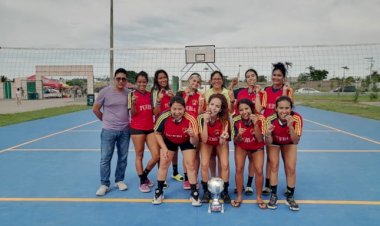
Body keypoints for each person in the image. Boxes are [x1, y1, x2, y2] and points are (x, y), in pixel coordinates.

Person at [152, 95, 201, 206]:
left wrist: (192, 135)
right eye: (174, 109)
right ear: (170, 108)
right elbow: (157, 133)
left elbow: (195, 142)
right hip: (169, 139)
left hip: (186, 140)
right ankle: (159, 191)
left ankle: (194, 192)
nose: (177, 111)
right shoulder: (164, 116)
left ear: (185, 108)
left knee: (190, 165)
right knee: (164, 163)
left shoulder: (191, 118)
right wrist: (164, 148)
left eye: (180, 109)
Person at [92, 68, 131, 196]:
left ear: (126, 80)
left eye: (123, 79)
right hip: (108, 130)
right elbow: (95, 109)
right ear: (114, 79)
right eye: (118, 78)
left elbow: (133, 110)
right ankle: (104, 184)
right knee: (105, 158)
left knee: (123, 158)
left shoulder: (129, 93)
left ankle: (119, 180)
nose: (121, 81)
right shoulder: (105, 92)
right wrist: (105, 120)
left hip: (125, 130)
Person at [230, 69, 266, 195]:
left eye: (253, 76)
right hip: (241, 124)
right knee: (240, 161)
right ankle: (240, 187)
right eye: (248, 76)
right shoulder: (241, 92)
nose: (250, 78)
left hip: (255, 123)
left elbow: (258, 109)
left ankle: (250, 184)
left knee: (253, 158)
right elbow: (235, 108)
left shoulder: (262, 92)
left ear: (256, 77)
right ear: (245, 79)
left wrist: (256, 93)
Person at [262, 62, 294, 195]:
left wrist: (285, 91)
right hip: (270, 126)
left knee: (288, 161)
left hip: (283, 127)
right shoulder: (266, 91)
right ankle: (268, 184)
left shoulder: (288, 90)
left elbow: (288, 105)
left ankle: (289, 186)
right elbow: (261, 108)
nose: (276, 77)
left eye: (279, 75)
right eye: (274, 75)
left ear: (283, 77)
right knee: (270, 158)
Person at [265, 96, 302, 211]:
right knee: (274, 166)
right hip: (274, 142)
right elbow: (268, 142)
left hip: (289, 142)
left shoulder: (297, 118)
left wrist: (290, 126)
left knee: (291, 168)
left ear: (291, 108)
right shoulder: (270, 119)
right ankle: (273, 195)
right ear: (276, 108)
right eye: (281, 108)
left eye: (287, 108)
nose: (284, 111)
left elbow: (296, 141)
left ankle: (290, 196)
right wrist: (268, 134)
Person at [231, 99, 267, 209]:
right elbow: (236, 141)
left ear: (251, 108)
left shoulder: (261, 118)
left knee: (259, 170)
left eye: (246, 108)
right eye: (241, 110)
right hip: (242, 146)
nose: (244, 112)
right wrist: (239, 135)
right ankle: (239, 196)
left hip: (257, 146)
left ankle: (259, 197)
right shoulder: (235, 120)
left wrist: (256, 124)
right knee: (238, 169)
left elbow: (260, 139)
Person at [128, 71, 159, 193]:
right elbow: (133, 113)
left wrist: (158, 102)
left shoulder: (151, 95)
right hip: (137, 129)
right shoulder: (131, 95)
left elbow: (154, 112)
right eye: (139, 81)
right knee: (139, 155)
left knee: (156, 155)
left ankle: (144, 175)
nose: (142, 84)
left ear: (147, 82)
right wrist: (134, 104)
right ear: (136, 82)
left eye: (144, 81)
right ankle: (142, 182)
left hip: (150, 128)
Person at [151, 69, 183, 187]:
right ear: (156, 80)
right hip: (161, 126)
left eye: (164, 77)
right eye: (160, 78)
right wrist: (158, 100)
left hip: (172, 125)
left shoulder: (171, 92)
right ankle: (162, 177)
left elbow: (177, 108)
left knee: (174, 150)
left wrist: (173, 96)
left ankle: (175, 172)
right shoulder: (154, 93)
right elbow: (155, 112)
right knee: (163, 152)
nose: (163, 80)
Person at [198, 94, 231, 204]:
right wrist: (206, 123)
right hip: (207, 141)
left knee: (225, 164)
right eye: (212, 104)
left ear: (221, 109)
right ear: (208, 105)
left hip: (219, 142)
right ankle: (206, 191)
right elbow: (204, 139)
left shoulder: (224, 120)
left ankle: (225, 191)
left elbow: (222, 141)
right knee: (204, 164)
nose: (213, 108)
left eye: (217, 106)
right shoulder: (202, 118)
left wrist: (223, 137)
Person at [204, 71, 234, 179]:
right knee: (211, 155)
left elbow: (231, 110)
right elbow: (205, 108)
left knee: (223, 158)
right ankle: (213, 178)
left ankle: (222, 180)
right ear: (211, 81)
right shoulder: (207, 93)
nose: (216, 80)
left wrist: (232, 100)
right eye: (214, 79)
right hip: (211, 124)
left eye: (219, 78)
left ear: (222, 80)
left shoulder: (227, 92)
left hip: (223, 124)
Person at [179, 73, 204, 189]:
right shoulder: (181, 94)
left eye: (197, 82)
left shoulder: (200, 96)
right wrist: (187, 96)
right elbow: (179, 110)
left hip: (195, 128)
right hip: (183, 128)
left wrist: (200, 105)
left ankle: (194, 176)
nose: (195, 83)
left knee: (196, 154)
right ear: (188, 81)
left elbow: (199, 114)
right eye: (193, 81)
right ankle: (187, 179)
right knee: (186, 155)